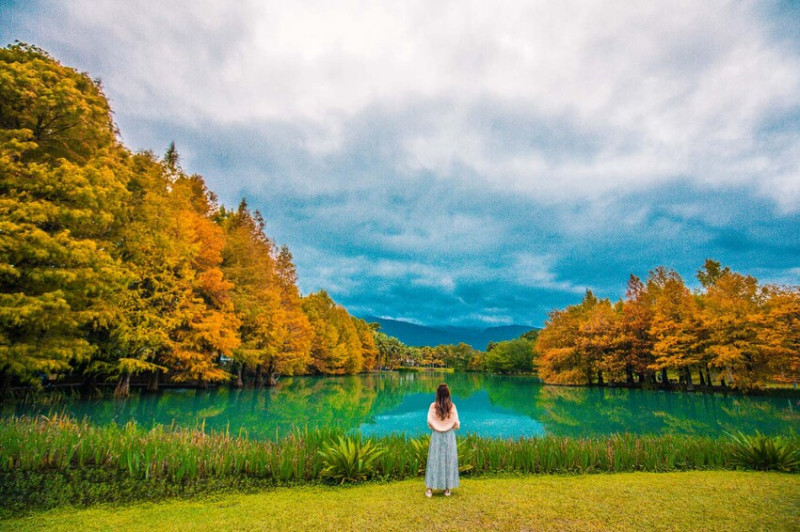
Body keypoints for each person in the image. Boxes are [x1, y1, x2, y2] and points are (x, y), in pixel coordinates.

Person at [425, 383, 460, 497]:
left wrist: (437, 426)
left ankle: (430, 489)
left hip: (436, 435)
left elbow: (430, 422)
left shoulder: (433, 406)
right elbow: (456, 423)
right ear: (448, 394)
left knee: (434, 460)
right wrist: (448, 425)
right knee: (448, 460)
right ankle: (447, 489)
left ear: (438, 394)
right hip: (449, 435)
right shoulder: (452, 406)